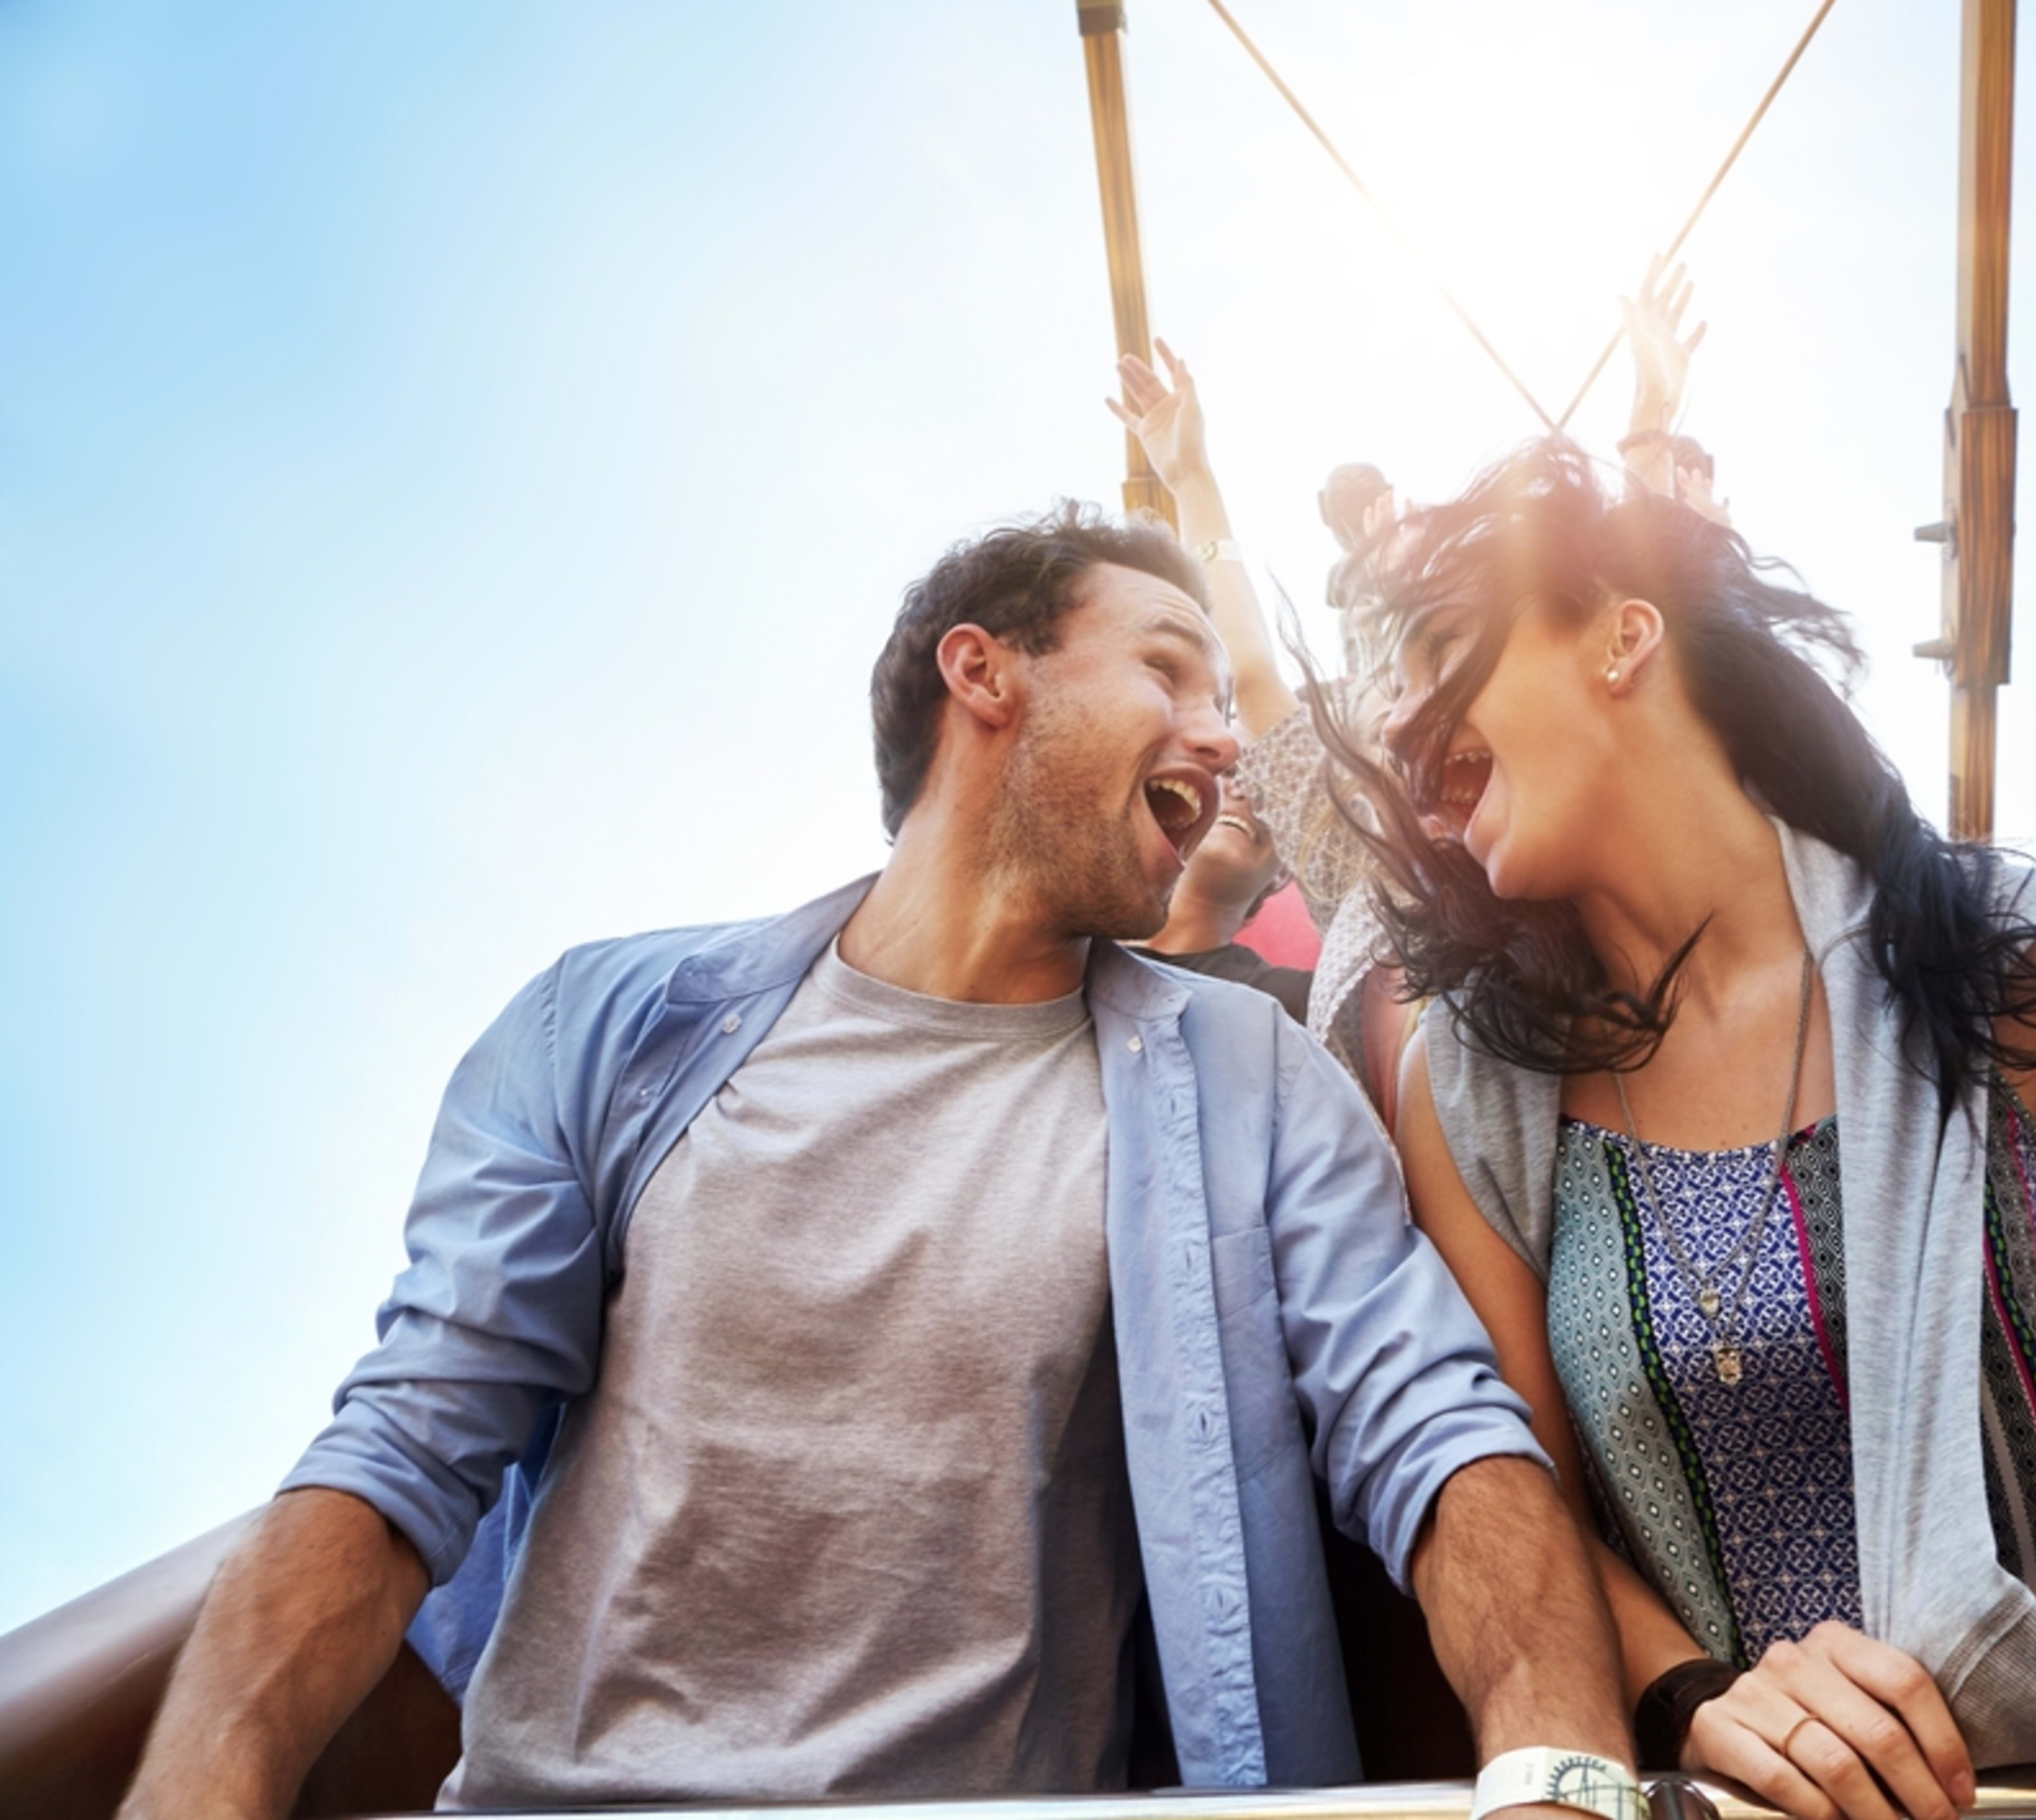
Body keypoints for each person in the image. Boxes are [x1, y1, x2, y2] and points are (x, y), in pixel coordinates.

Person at [117, 507, 1639, 1817]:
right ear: (981, 671)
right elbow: (402, 1452)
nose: (1225, 732)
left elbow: (1437, 1434)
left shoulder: (1251, 1081)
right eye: (1167, 665)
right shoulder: (604, 1025)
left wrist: (1563, 1769)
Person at [1324, 445, 2036, 1820]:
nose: (1402, 719)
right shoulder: (1472, 1090)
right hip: (1812, 1803)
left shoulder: (2004, 946)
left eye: (1441, 645)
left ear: (1622, 632)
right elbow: (1527, 1497)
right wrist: (1700, 1696)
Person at [1106, 257, 1716, 1122]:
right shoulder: (1359, 866)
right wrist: (1194, 483)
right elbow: (1250, 662)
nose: (1408, 722)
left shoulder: (1569, 848)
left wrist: (1648, 428)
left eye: (1449, 680)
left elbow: (1658, 640)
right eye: (1391, 699)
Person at [1139, 776, 1312, 1021]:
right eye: (1229, 772)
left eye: (1277, 795)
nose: (1248, 793)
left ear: (1285, 872)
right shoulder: (1076, 948)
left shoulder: (1298, 1006)